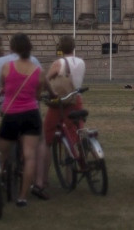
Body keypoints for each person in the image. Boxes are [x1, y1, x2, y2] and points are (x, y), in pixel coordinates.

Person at [0, 33, 49, 207]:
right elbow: (37, 94)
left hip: (11, 114)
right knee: (29, 157)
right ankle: (22, 197)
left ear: (12, 48)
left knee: (1, 154)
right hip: (31, 114)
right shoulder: (38, 70)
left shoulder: (5, 66)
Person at [39, 35, 86, 195]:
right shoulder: (81, 62)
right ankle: (69, 178)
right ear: (73, 47)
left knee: (47, 140)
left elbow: (47, 80)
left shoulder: (58, 63)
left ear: (60, 48)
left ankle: (43, 180)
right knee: (71, 139)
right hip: (77, 101)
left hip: (62, 104)